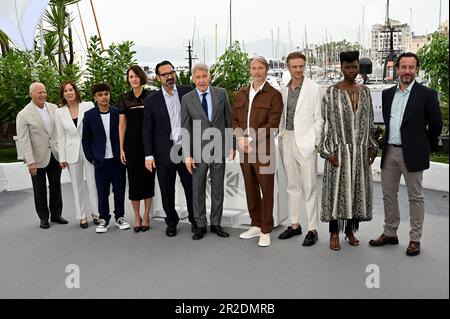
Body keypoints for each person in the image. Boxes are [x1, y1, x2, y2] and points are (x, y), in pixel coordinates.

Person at [369, 52, 442, 256]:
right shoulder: (387, 94)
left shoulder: (427, 94)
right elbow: (388, 121)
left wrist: (423, 145)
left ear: (416, 69)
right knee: (388, 195)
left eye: (411, 67)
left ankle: (415, 239)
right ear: (397, 69)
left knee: (415, 197)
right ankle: (390, 232)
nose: (407, 71)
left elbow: (436, 125)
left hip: (414, 154)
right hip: (390, 152)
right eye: (403, 67)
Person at [318, 50, 378, 251]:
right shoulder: (332, 92)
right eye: (347, 67)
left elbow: (369, 122)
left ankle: (350, 230)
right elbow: (326, 123)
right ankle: (334, 232)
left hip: (360, 152)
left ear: (358, 67)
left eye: (354, 67)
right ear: (341, 67)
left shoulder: (365, 92)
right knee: (337, 192)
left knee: (355, 190)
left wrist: (371, 146)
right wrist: (328, 151)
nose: (351, 71)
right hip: (339, 150)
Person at [232, 56, 283, 247]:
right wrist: (240, 138)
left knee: (266, 189)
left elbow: (273, 124)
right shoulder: (241, 93)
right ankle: (255, 223)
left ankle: (266, 230)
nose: (257, 71)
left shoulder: (274, 95)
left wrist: (251, 138)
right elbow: (234, 119)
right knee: (250, 187)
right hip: (244, 149)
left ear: (266, 70)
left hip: (264, 149)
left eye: (260, 68)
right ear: (250, 70)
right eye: (254, 68)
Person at [143, 60, 196, 237]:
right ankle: (171, 222)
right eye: (165, 74)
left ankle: (195, 221)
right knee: (167, 189)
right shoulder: (151, 100)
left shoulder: (188, 91)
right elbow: (147, 129)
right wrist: (148, 155)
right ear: (158, 78)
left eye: (171, 72)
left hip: (186, 150)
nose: (169, 76)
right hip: (164, 152)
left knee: (191, 187)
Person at [181, 63, 234, 240]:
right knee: (198, 188)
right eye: (198, 77)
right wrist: (187, 155)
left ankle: (216, 223)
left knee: (218, 187)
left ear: (209, 77)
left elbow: (228, 121)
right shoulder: (187, 99)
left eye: (204, 76)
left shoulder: (221, 93)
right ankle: (200, 224)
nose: (202, 80)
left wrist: (231, 145)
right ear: (193, 79)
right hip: (198, 150)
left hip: (219, 147)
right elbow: (185, 127)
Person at [278, 52, 323, 246]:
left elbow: (319, 119)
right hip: (286, 138)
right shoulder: (283, 90)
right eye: (294, 66)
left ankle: (313, 229)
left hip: (306, 143)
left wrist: (315, 142)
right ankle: (294, 224)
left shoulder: (314, 89)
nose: (298, 70)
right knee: (292, 186)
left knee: (310, 187)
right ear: (288, 68)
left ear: (305, 66)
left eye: (301, 66)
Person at [16, 82, 67, 229]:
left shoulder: (54, 108)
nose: (43, 95)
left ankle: (56, 215)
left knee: (56, 186)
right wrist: (30, 162)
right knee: (39, 189)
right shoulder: (24, 114)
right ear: (31, 94)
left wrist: (62, 153)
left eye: (44, 92)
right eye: (39, 92)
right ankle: (44, 218)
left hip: (54, 155)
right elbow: (24, 141)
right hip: (37, 159)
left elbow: (59, 132)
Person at [82, 83, 130, 233]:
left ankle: (120, 217)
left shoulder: (118, 113)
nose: (104, 97)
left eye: (106, 94)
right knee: (102, 191)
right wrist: (92, 158)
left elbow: (125, 134)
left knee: (119, 190)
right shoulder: (89, 116)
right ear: (95, 97)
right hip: (100, 161)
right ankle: (104, 219)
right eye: (100, 95)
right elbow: (86, 140)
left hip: (117, 160)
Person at [55, 81, 100, 229]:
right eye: (65, 91)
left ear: (76, 91)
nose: (69, 92)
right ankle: (82, 216)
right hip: (71, 153)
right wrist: (62, 158)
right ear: (63, 94)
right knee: (77, 185)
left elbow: (95, 130)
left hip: (89, 151)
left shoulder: (88, 106)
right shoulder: (59, 112)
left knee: (93, 182)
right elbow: (60, 137)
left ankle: (97, 213)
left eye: (71, 89)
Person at [119, 65, 155, 233]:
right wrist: (121, 148)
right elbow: (122, 124)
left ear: (142, 77)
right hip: (131, 145)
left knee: (148, 180)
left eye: (136, 76)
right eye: (130, 76)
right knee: (133, 181)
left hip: (149, 145)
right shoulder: (124, 98)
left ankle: (146, 216)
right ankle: (136, 216)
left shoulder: (152, 96)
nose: (133, 79)